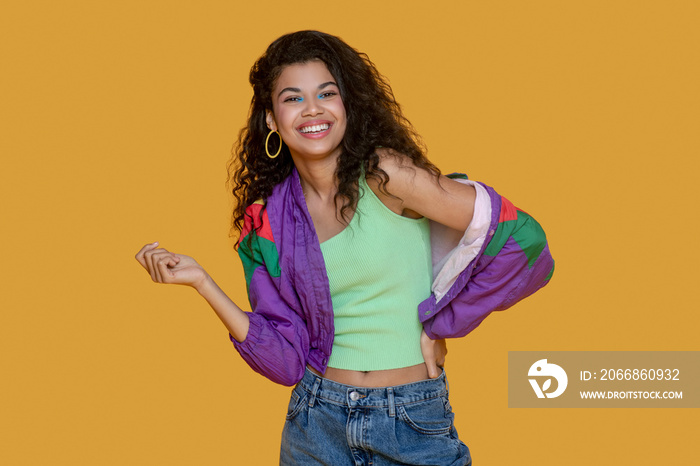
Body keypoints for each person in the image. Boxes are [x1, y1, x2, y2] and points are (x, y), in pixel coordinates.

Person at [135, 30, 554, 465]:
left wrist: (442, 323)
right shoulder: (267, 224)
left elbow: (521, 237)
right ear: (272, 121)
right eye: (293, 98)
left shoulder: (387, 175)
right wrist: (202, 282)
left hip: (410, 419)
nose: (312, 109)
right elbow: (285, 362)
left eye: (326, 93)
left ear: (347, 105)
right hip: (315, 421)